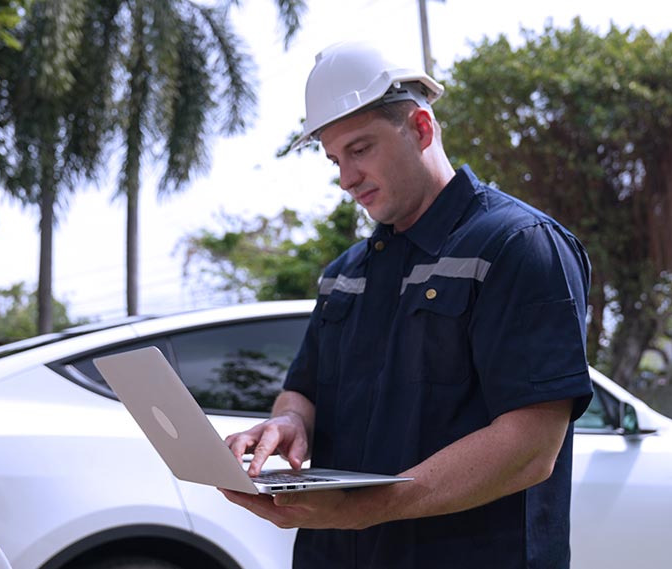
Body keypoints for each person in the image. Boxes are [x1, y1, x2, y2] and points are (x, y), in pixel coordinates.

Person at [220, 40, 594, 569]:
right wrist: (289, 425)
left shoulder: (517, 245)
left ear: (420, 128)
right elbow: (301, 390)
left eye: (360, 149)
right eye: (334, 159)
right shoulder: (346, 273)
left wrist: (365, 510)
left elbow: (530, 448)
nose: (345, 178)